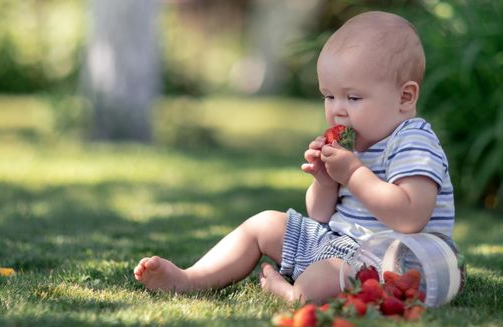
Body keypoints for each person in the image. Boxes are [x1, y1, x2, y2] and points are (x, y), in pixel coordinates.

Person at [133, 11, 456, 304]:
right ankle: (191, 279)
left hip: (393, 261)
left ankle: (291, 293)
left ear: (405, 97)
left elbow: (410, 216)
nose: (337, 109)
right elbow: (319, 215)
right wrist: (325, 182)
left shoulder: (413, 141)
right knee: (262, 224)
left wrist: (353, 173)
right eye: (328, 96)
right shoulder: (355, 145)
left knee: (329, 272)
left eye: (353, 97)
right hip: (340, 243)